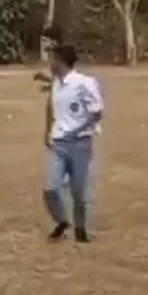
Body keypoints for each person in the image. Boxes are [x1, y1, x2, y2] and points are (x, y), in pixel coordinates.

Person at [43, 43, 103, 243]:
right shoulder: (56, 83)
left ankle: (80, 229)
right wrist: (47, 130)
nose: (49, 62)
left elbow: (96, 113)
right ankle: (61, 220)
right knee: (50, 188)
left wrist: (75, 131)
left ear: (61, 61)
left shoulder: (84, 83)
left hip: (79, 143)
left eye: (52, 58)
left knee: (78, 191)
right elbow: (50, 106)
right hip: (59, 142)